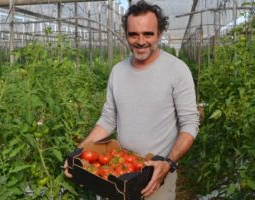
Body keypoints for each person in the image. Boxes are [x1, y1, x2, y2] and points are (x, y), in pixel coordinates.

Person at [64, 0, 199, 199]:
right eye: (133, 34)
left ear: (159, 34)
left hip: (155, 175)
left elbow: (190, 123)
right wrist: (78, 154)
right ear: (126, 34)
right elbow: (108, 119)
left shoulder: (177, 71)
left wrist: (168, 163)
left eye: (148, 34)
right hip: (120, 170)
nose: (140, 41)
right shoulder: (118, 72)